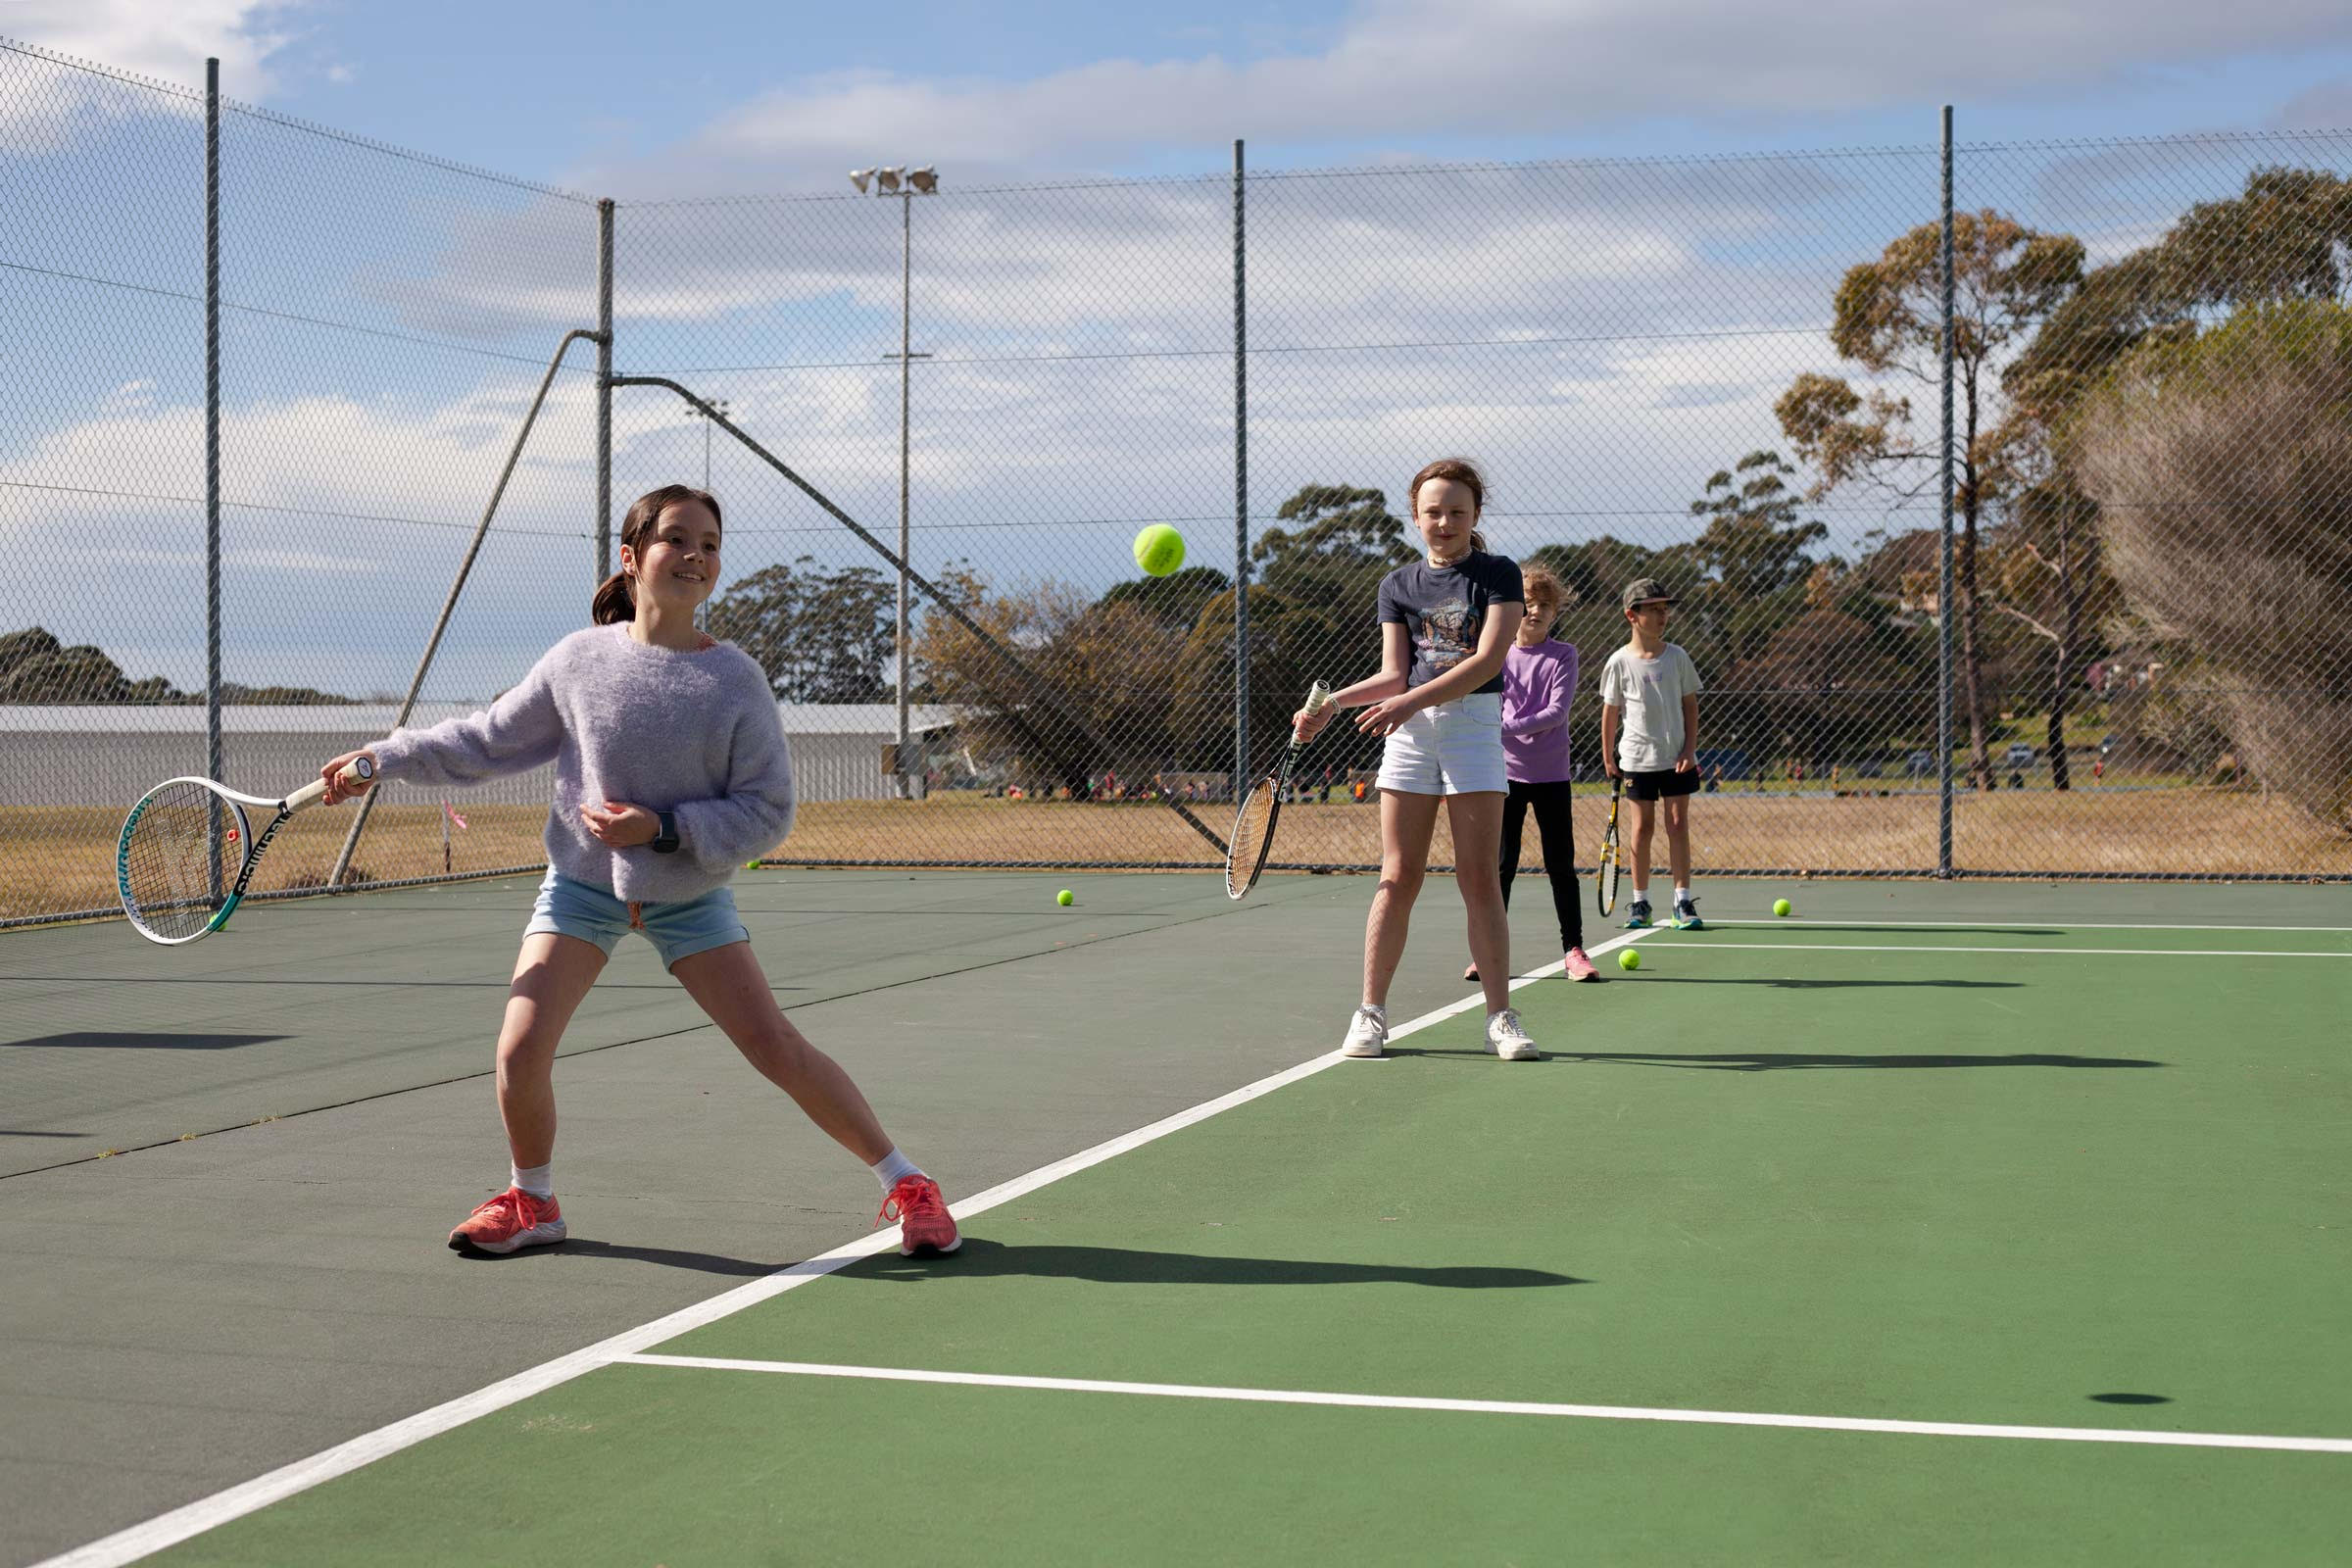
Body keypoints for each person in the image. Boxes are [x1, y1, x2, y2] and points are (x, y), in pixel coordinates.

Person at [318, 483, 958, 1259]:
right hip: (580, 891)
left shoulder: (735, 681)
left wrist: (662, 830)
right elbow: (484, 741)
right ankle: (532, 1202)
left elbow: (767, 812)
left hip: (688, 897)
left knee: (774, 1047)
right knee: (519, 1049)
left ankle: (909, 1184)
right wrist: (381, 758)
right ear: (631, 557)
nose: (694, 556)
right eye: (676, 539)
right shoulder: (578, 661)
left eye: (709, 545)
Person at [1293, 458, 1539, 1062]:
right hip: (1410, 734)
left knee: (1478, 878)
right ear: (1416, 516)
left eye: (1457, 511)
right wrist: (1330, 705)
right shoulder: (1397, 585)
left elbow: (1486, 662)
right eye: (1434, 512)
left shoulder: (1498, 574)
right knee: (1398, 874)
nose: (1445, 522)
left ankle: (1500, 1018)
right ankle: (1370, 1013)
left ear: (1475, 514)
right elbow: (1392, 674)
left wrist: (1408, 702)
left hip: (1473, 727)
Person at [1464, 564, 1596, 984]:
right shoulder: (1494, 655)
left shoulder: (1564, 655)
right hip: (1504, 776)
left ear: (1555, 612)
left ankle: (1574, 951)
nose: (1535, 611)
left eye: (1544, 605)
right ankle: (1486, 953)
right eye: (1527, 603)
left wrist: (1502, 728)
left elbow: (1556, 713)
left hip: (1552, 776)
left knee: (1561, 865)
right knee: (1500, 866)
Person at [1598, 577, 1705, 931]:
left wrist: (1689, 749)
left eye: (1665, 610)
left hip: (1676, 759)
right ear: (1632, 615)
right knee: (1642, 829)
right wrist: (1608, 757)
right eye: (1654, 610)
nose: (1663, 616)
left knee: (1677, 825)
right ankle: (1640, 902)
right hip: (1636, 760)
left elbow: (1690, 705)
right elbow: (1610, 711)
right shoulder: (1619, 662)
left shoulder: (1678, 657)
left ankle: (1682, 901)